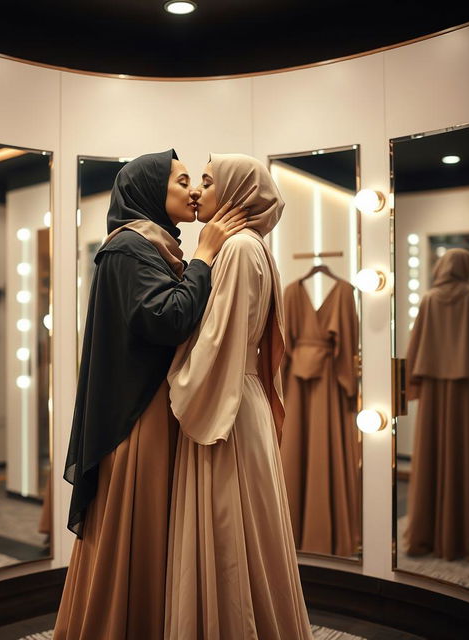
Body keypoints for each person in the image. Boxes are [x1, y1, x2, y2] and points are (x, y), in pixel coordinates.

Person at [53, 149, 248, 639]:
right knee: (141, 534)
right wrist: (204, 255)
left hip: (153, 409)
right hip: (137, 419)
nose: (194, 191)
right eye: (182, 181)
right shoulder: (129, 249)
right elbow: (167, 319)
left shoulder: (154, 247)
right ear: (149, 192)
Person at [166, 154, 313, 639]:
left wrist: (177, 381)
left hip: (223, 402)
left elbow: (218, 340)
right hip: (237, 396)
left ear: (234, 194)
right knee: (245, 530)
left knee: (230, 534)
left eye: (208, 183)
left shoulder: (238, 250)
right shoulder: (255, 247)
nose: (198, 193)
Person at [404, 248, 469, 560]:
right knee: (467, 454)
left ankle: (428, 533)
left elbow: (416, 346)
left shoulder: (429, 298)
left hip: (434, 394)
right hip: (467, 394)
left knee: (433, 454)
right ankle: (467, 532)